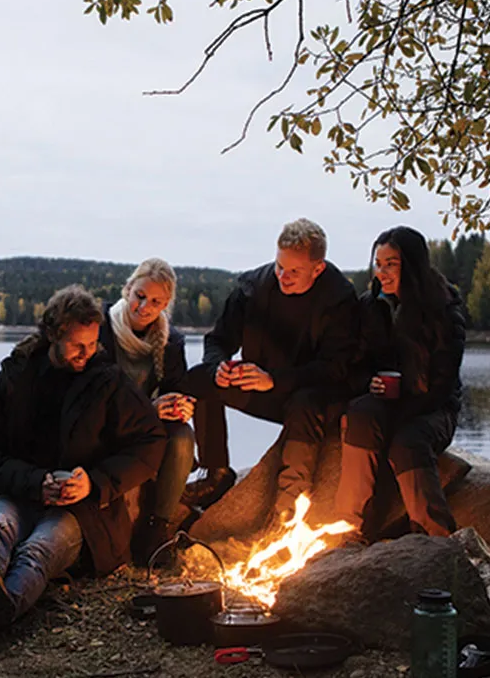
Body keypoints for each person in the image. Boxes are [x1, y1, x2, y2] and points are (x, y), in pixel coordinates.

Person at [0, 284, 167, 646]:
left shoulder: (108, 381)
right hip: (17, 490)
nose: (86, 353)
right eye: (77, 345)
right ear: (54, 335)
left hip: (83, 510)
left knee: (41, 548)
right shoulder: (16, 376)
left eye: (92, 344)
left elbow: (151, 442)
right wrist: (33, 481)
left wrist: (94, 482)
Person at [181, 218, 359, 518]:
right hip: (261, 387)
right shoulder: (253, 287)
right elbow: (217, 340)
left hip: (312, 395)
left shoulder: (339, 299)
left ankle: (287, 509)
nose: (283, 277)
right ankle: (216, 473)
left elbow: (336, 368)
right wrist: (218, 367)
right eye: (279, 266)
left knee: (305, 403)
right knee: (200, 379)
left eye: (294, 272)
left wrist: (274, 380)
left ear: (318, 269)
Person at [335, 226, 466, 541]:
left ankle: (436, 537)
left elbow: (442, 386)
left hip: (433, 407)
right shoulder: (371, 306)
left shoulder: (444, 311)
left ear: (412, 264)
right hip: (388, 401)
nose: (381, 272)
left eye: (390, 264)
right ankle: (348, 529)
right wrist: (371, 383)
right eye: (378, 264)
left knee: (408, 441)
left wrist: (401, 410)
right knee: (359, 416)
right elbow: (357, 366)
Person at [97, 258, 196, 562]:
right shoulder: (100, 326)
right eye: (140, 296)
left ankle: (158, 527)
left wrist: (179, 405)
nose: (145, 307)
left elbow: (175, 387)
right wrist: (147, 410)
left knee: (182, 436)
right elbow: (94, 395)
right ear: (128, 289)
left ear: (166, 303)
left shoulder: (171, 342)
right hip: (104, 422)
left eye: (156, 301)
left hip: (146, 424)